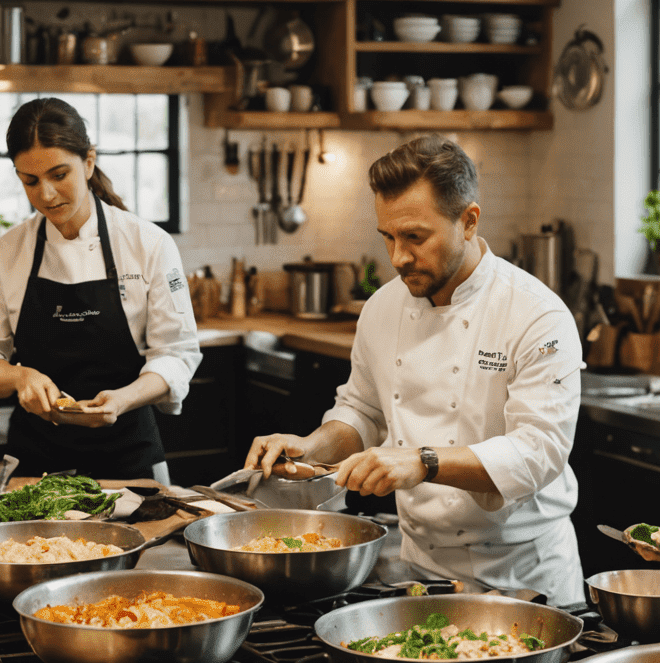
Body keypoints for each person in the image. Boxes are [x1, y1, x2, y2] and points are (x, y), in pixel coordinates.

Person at [246, 135, 584, 602]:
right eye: (387, 237)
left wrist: (422, 462)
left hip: (524, 574)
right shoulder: (382, 308)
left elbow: (538, 453)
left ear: (468, 221)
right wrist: (311, 447)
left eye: (415, 237)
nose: (398, 257)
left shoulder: (535, 315)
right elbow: (362, 412)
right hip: (421, 567)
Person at [0, 98, 202, 485]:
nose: (47, 194)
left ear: (88, 162)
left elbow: (176, 354)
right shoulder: (6, 253)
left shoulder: (148, 243)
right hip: (35, 470)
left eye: (60, 174)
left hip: (130, 464)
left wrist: (124, 399)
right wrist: (19, 378)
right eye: (30, 181)